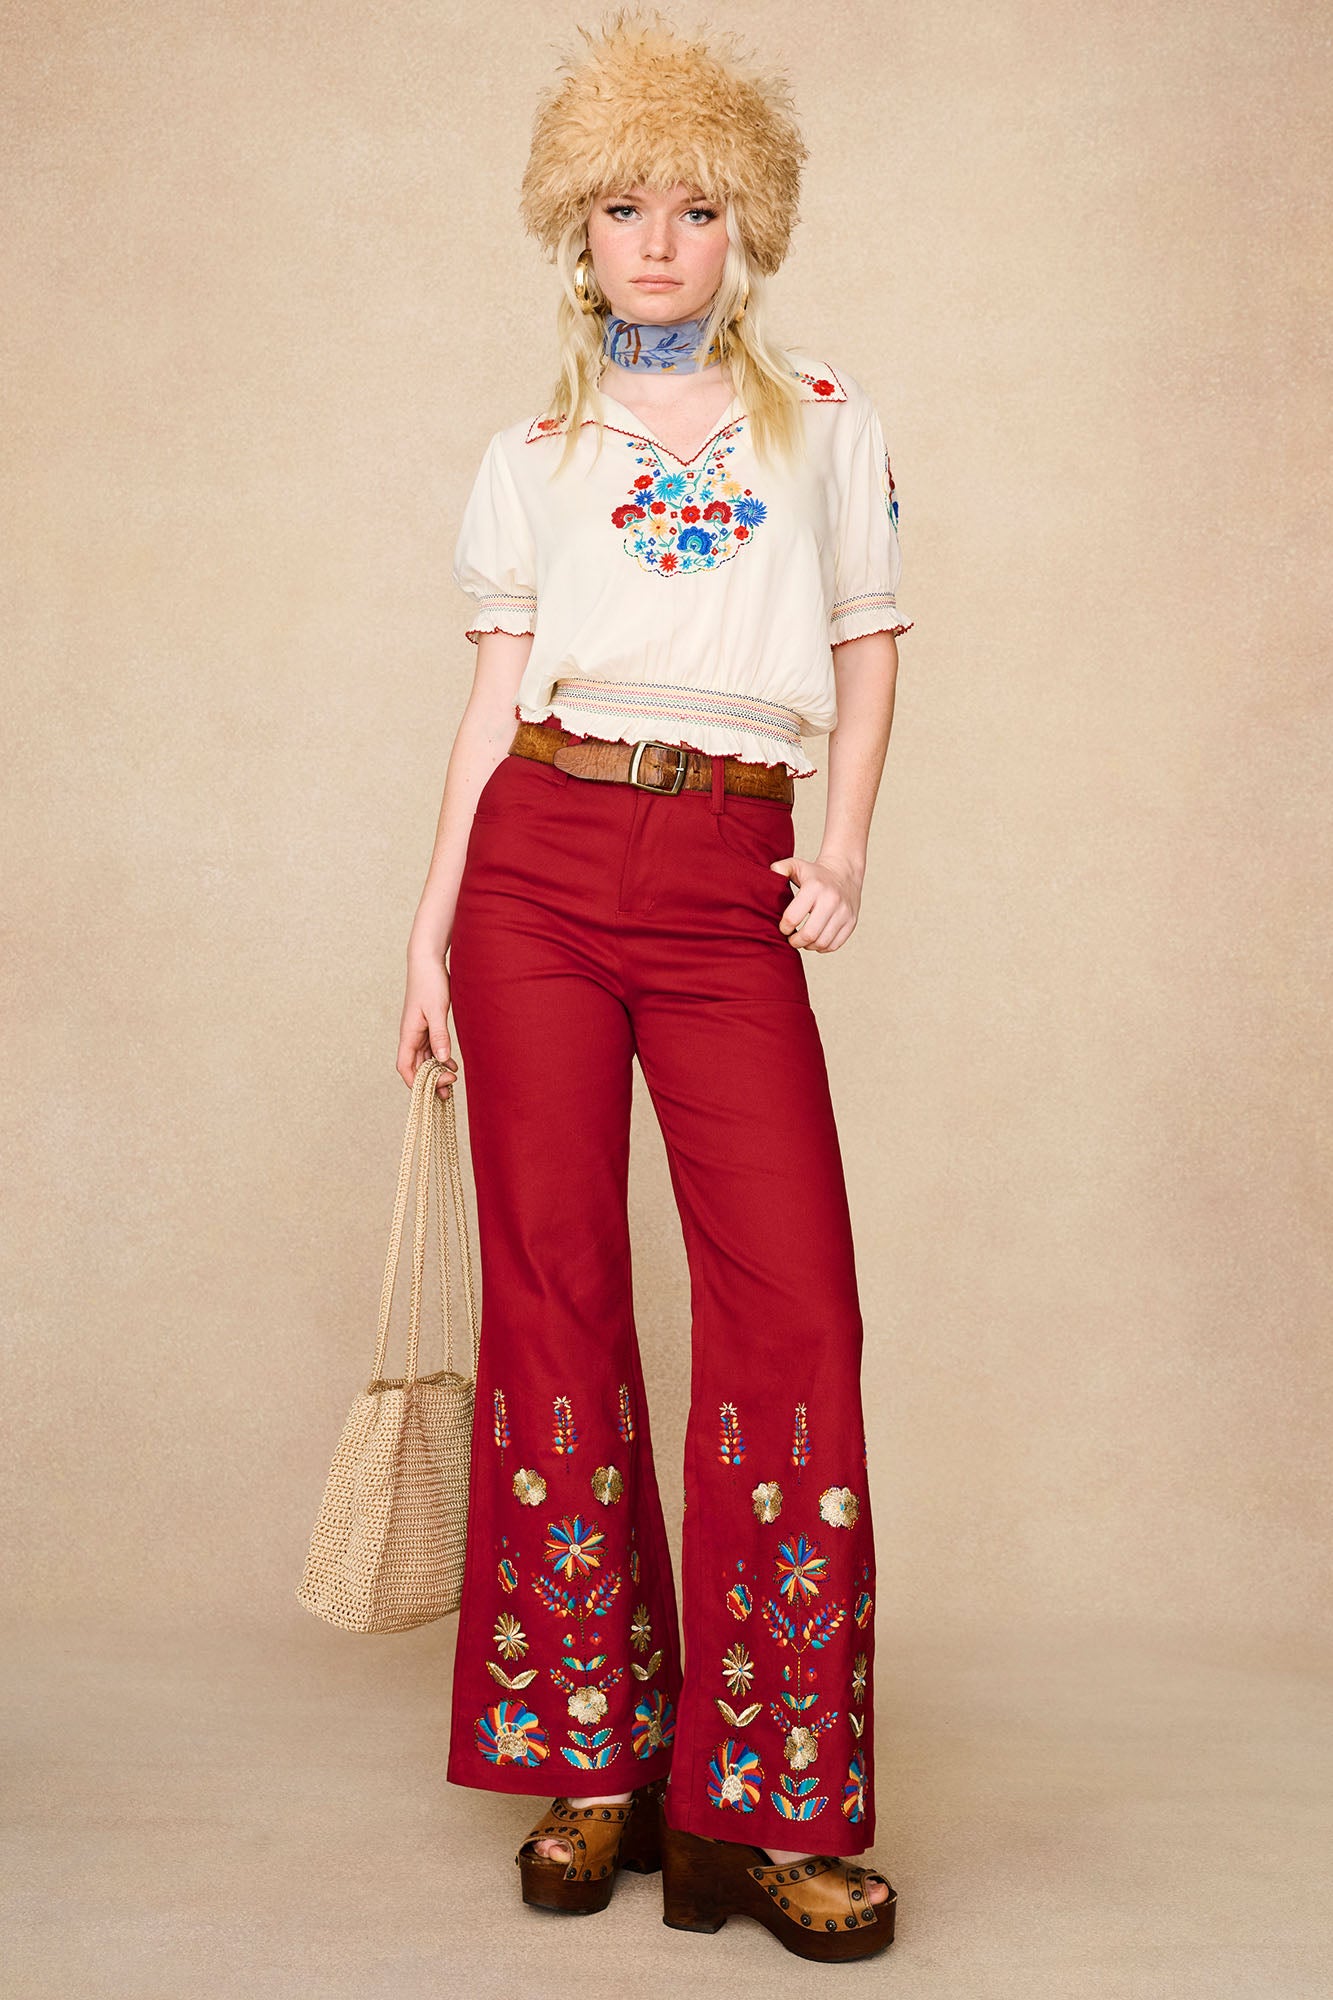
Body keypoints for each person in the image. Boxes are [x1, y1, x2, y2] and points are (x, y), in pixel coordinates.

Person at [398, 10, 912, 1964]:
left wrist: (840, 846)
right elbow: (485, 709)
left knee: (793, 1310)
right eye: (624, 208)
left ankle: (763, 1801)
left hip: (725, 872)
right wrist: (428, 926)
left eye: (694, 208)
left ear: (745, 228)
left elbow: (865, 647)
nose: (658, 243)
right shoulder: (531, 456)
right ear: (577, 229)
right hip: (534, 864)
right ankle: (590, 1757)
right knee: (553, 1293)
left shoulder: (827, 426)